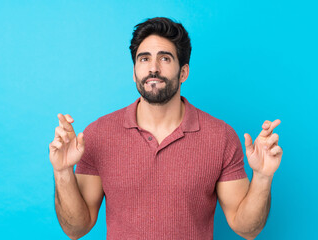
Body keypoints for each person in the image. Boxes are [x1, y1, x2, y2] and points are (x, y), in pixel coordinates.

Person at [49, 17, 283, 240]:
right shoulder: (99, 134)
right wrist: (62, 172)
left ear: (183, 72)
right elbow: (76, 229)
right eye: (144, 59)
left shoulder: (220, 137)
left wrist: (262, 177)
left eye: (165, 58)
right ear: (134, 72)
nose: (153, 68)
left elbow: (247, 230)